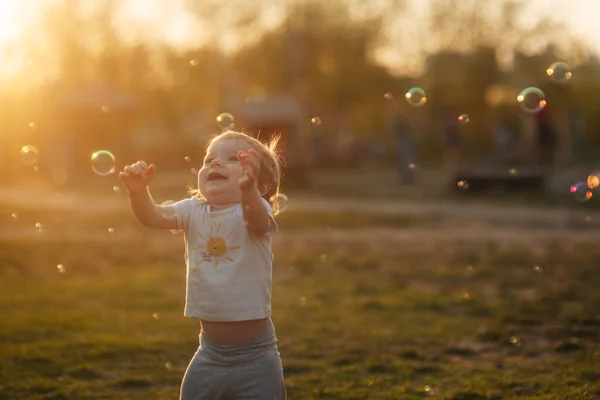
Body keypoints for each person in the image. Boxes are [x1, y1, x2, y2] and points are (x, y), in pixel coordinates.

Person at [119, 131, 286, 400]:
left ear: (262, 185)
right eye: (209, 160)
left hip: (256, 358)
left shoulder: (256, 209)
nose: (215, 164)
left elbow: (256, 222)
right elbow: (154, 216)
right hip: (209, 354)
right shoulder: (192, 210)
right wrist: (138, 193)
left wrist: (248, 190)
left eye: (234, 159)